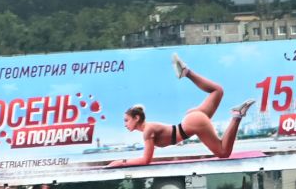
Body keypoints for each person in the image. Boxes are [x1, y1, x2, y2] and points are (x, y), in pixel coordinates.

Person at [107, 52, 253, 168]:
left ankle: (237, 116)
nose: (125, 124)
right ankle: (186, 72)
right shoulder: (149, 128)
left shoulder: (147, 131)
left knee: (223, 152)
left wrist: (122, 162)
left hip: (193, 122)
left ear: (136, 118)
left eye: (127, 120)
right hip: (190, 119)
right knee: (217, 91)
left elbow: (146, 160)